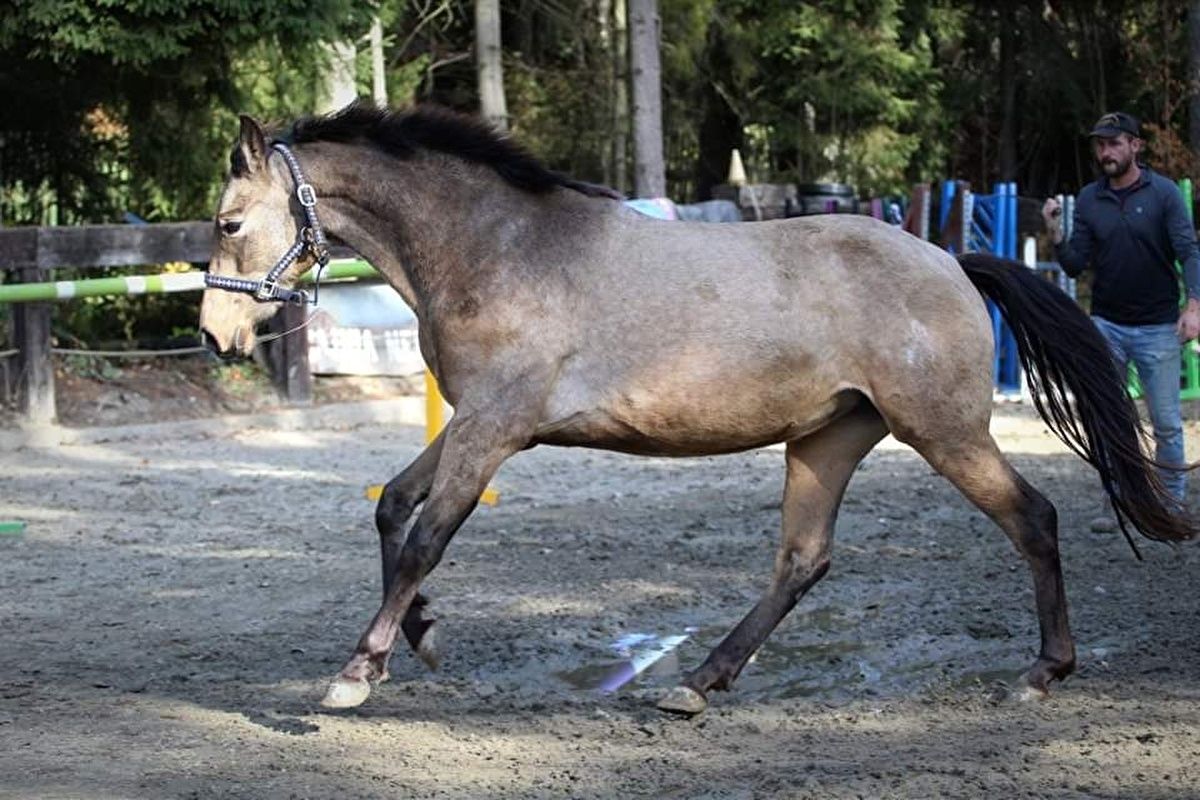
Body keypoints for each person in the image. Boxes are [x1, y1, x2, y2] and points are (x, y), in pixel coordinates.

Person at [1043, 111, 1200, 506]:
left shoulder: (1163, 194)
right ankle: (1120, 499)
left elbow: (1188, 252)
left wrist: (1194, 305)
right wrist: (1055, 233)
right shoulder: (1089, 199)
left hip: (1158, 328)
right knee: (1109, 418)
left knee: (1165, 424)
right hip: (1106, 326)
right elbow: (1076, 264)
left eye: (1114, 143)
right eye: (1100, 144)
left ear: (1135, 145)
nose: (1105, 151)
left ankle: (1172, 503)